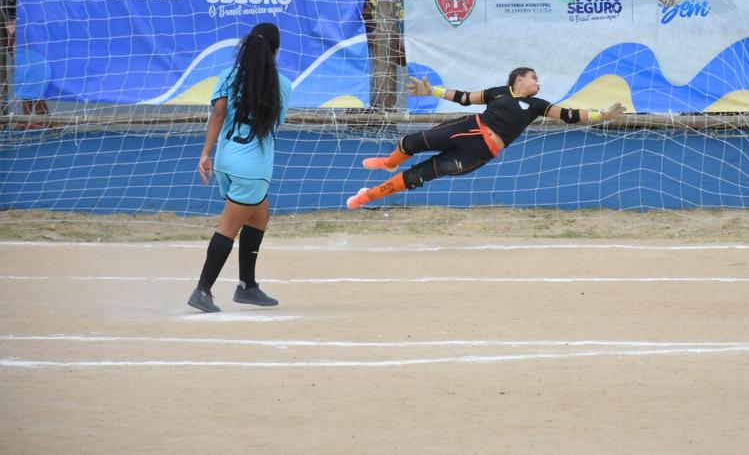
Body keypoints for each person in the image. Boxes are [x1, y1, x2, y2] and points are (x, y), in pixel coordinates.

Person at [346, 67, 626, 209]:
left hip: (481, 152)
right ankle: (390, 162)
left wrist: (603, 116)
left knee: (420, 175)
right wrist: (432, 92)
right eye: (534, 78)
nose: (538, 83)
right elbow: (465, 98)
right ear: (518, 79)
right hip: (469, 127)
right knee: (411, 142)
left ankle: (368, 196)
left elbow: (570, 115)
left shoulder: (539, 105)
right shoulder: (499, 92)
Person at [189, 23, 292, 313]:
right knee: (229, 228)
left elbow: (218, 113)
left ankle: (248, 286)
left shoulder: (229, 75)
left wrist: (205, 154)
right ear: (276, 51)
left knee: (260, 215)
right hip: (253, 166)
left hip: (225, 159)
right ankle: (202, 290)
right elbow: (274, 124)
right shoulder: (282, 85)